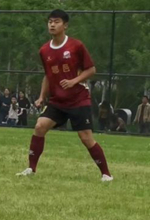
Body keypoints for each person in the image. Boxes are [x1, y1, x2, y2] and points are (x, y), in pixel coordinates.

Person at [16, 10, 113, 182]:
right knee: (40, 126)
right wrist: (41, 96)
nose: (52, 25)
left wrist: (74, 81)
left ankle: (106, 174)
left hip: (78, 99)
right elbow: (47, 76)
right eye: (50, 22)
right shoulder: (44, 50)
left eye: (56, 21)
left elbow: (91, 69)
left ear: (65, 25)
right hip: (58, 101)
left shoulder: (76, 46)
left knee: (86, 137)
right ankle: (31, 168)